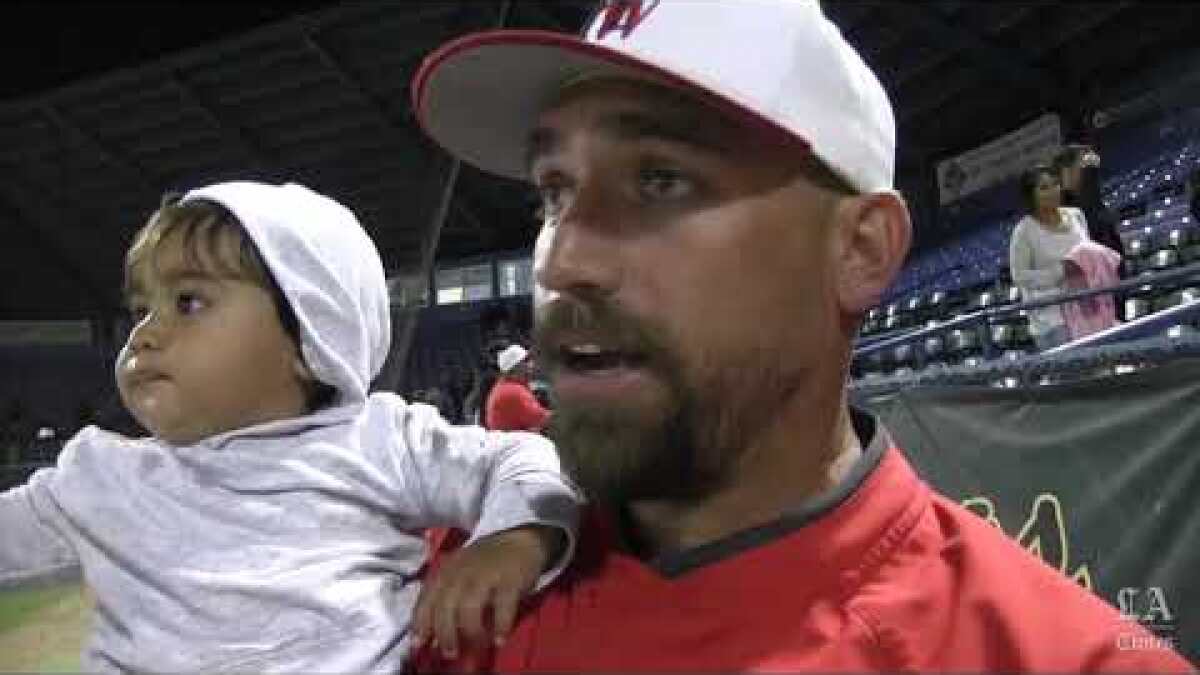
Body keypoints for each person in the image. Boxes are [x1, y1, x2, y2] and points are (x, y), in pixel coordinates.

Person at [409, 0, 1192, 671]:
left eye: (659, 179)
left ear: (861, 251)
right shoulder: (441, 579)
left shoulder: (1054, 656)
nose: (566, 257)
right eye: (554, 191)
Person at [0, 182, 582, 672]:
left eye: (189, 302)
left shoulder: (378, 440)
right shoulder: (101, 478)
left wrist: (516, 538)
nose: (145, 333)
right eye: (141, 309)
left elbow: (522, 461)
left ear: (310, 339)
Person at [1009, 164, 1093, 351]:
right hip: (1051, 318)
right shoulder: (1024, 231)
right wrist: (1060, 272)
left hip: (1086, 303)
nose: (1053, 191)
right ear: (1031, 195)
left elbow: (1089, 252)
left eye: (1055, 184)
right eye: (1044, 188)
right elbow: (1019, 276)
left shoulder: (1077, 215)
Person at [1055, 143, 1127, 262]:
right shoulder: (1064, 212)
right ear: (1066, 172)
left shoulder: (1092, 202)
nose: (1088, 170)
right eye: (1083, 166)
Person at [484, 344, 551, 432]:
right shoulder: (514, 391)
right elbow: (541, 419)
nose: (531, 364)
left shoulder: (506, 385)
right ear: (515, 367)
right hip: (514, 442)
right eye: (526, 361)